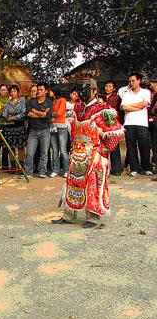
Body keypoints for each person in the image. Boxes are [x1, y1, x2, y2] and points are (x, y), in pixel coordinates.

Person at [52, 79, 124, 228]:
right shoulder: (77, 107)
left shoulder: (103, 109)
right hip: (78, 154)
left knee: (93, 184)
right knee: (72, 182)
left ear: (94, 91)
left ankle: (93, 218)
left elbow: (116, 132)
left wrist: (104, 150)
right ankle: (69, 215)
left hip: (94, 154)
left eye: (85, 90)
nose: (81, 93)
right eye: (80, 90)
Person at [121, 73, 153, 177]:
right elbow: (124, 107)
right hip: (129, 123)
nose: (131, 83)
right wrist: (138, 107)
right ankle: (134, 168)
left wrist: (131, 106)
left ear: (139, 81)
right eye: (129, 81)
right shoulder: (126, 93)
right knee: (131, 147)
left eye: (133, 81)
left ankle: (146, 167)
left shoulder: (145, 92)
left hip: (142, 123)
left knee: (144, 146)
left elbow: (145, 104)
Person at [23, 82, 53, 178]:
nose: (38, 92)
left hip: (45, 129)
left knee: (44, 153)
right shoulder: (31, 101)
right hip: (33, 130)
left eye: (41, 90)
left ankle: (42, 172)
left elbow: (47, 115)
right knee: (29, 153)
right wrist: (41, 113)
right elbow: (28, 114)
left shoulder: (49, 102)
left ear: (46, 91)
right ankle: (28, 172)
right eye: (38, 90)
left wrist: (35, 111)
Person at [0, 84, 27, 173]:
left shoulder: (22, 103)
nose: (13, 93)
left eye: (14, 91)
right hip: (9, 128)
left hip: (20, 127)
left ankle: (21, 167)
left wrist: (14, 117)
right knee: (11, 147)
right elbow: (4, 114)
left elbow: (23, 114)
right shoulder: (7, 103)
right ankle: (13, 167)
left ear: (18, 92)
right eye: (11, 91)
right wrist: (9, 117)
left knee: (21, 148)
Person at [49, 89, 69, 177]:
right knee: (54, 150)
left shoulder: (62, 100)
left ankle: (66, 170)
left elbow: (59, 113)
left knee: (63, 150)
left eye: (50, 90)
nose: (49, 92)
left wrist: (51, 114)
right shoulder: (52, 101)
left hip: (61, 126)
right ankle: (55, 170)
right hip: (53, 127)